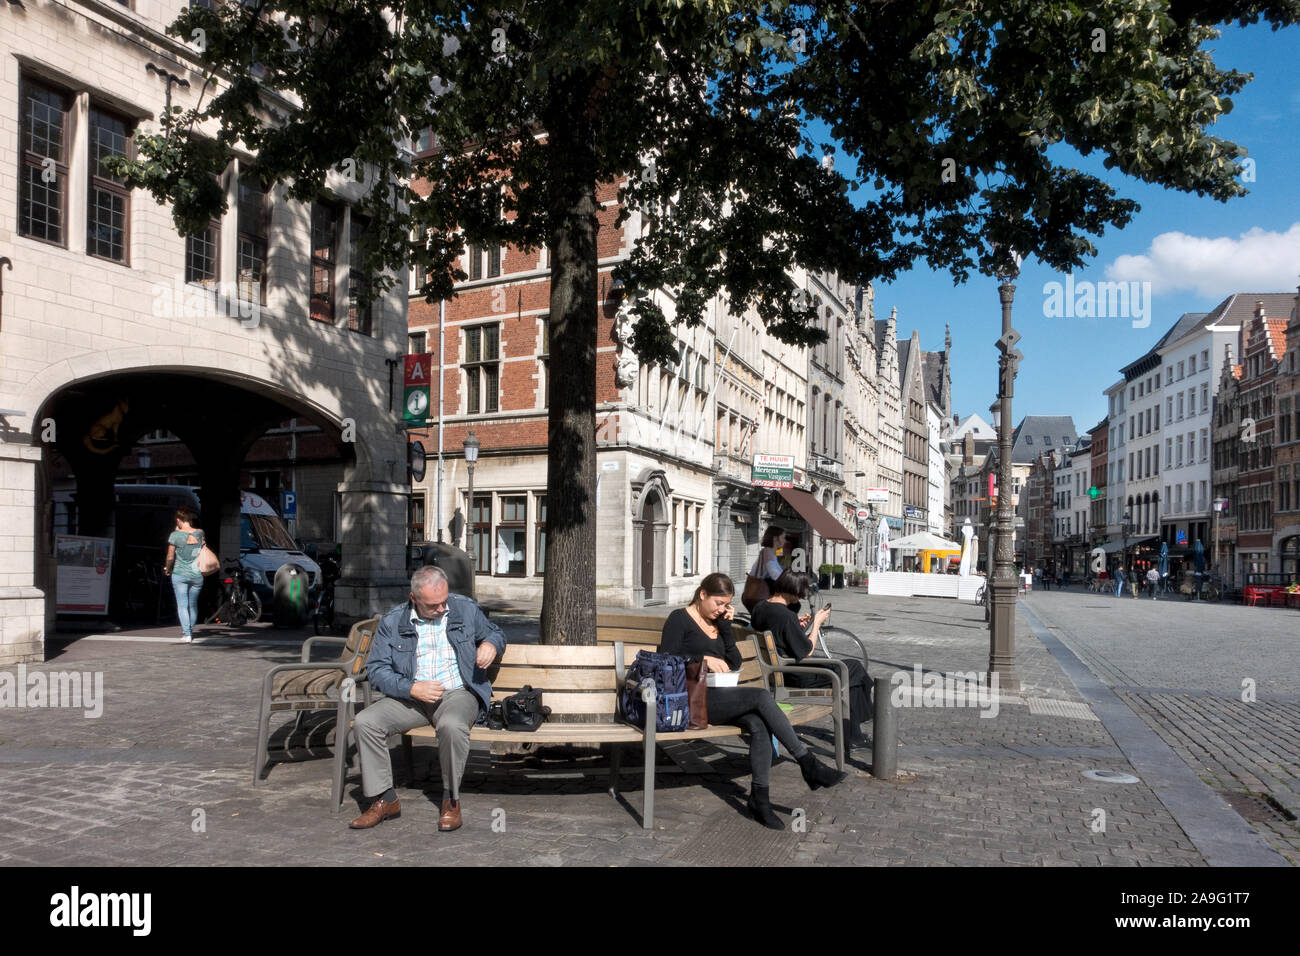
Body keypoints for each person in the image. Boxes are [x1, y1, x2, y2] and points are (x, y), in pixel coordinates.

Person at [660, 573, 844, 830]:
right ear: (702, 595)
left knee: (758, 724)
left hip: (721, 696)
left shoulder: (718, 623)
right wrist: (701, 659)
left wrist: (725, 628)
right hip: (693, 699)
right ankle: (808, 763)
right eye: (717, 603)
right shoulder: (680, 619)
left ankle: (760, 799)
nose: (721, 609)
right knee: (760, 696)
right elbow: (666, 656)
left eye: (726, 604)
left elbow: (734, 662)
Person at [348, 565, 506, 833]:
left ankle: (450, 799)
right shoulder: (392, 621)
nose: (441, 609)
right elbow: (377, 670)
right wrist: (411, 688)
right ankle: (384, 800)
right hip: (413, 697)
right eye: (433, 605)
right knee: (366, 722)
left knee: (452, 726)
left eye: (444, 601)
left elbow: (496, 632)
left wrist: (490, 643)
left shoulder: (464, 609)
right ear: (414, 599)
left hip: (457, 693)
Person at [750, 570, 873, 748]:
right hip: (795, 674)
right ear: (792, 590)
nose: (801, 597)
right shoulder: (786, 616)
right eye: (801, 593)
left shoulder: (761, 607)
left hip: (775, 670)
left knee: (851, 676)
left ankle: (855, 733)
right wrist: (816, 623)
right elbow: (807, 651)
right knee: (853, 669)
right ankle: (860, 725)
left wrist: (796, 626)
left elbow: (779, 633)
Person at [163, 506, 206, 643]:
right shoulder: (200, 533)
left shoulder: (175, 535)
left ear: (178, 520)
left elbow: (170, 556)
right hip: (197, 575)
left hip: (180, 574)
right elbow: (202, 546)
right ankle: (190, 630)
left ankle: (187, 634)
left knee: (182, 604)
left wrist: (167, 568)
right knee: (192, 604)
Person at [742, 526, 787, 613]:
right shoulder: (767, 552)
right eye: (783, 537)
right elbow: (774, 574)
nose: (785, 541)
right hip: (757, 594)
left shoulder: (772, 553)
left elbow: (779, 572)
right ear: (775, 538)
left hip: (760, 593)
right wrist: (791, 581)